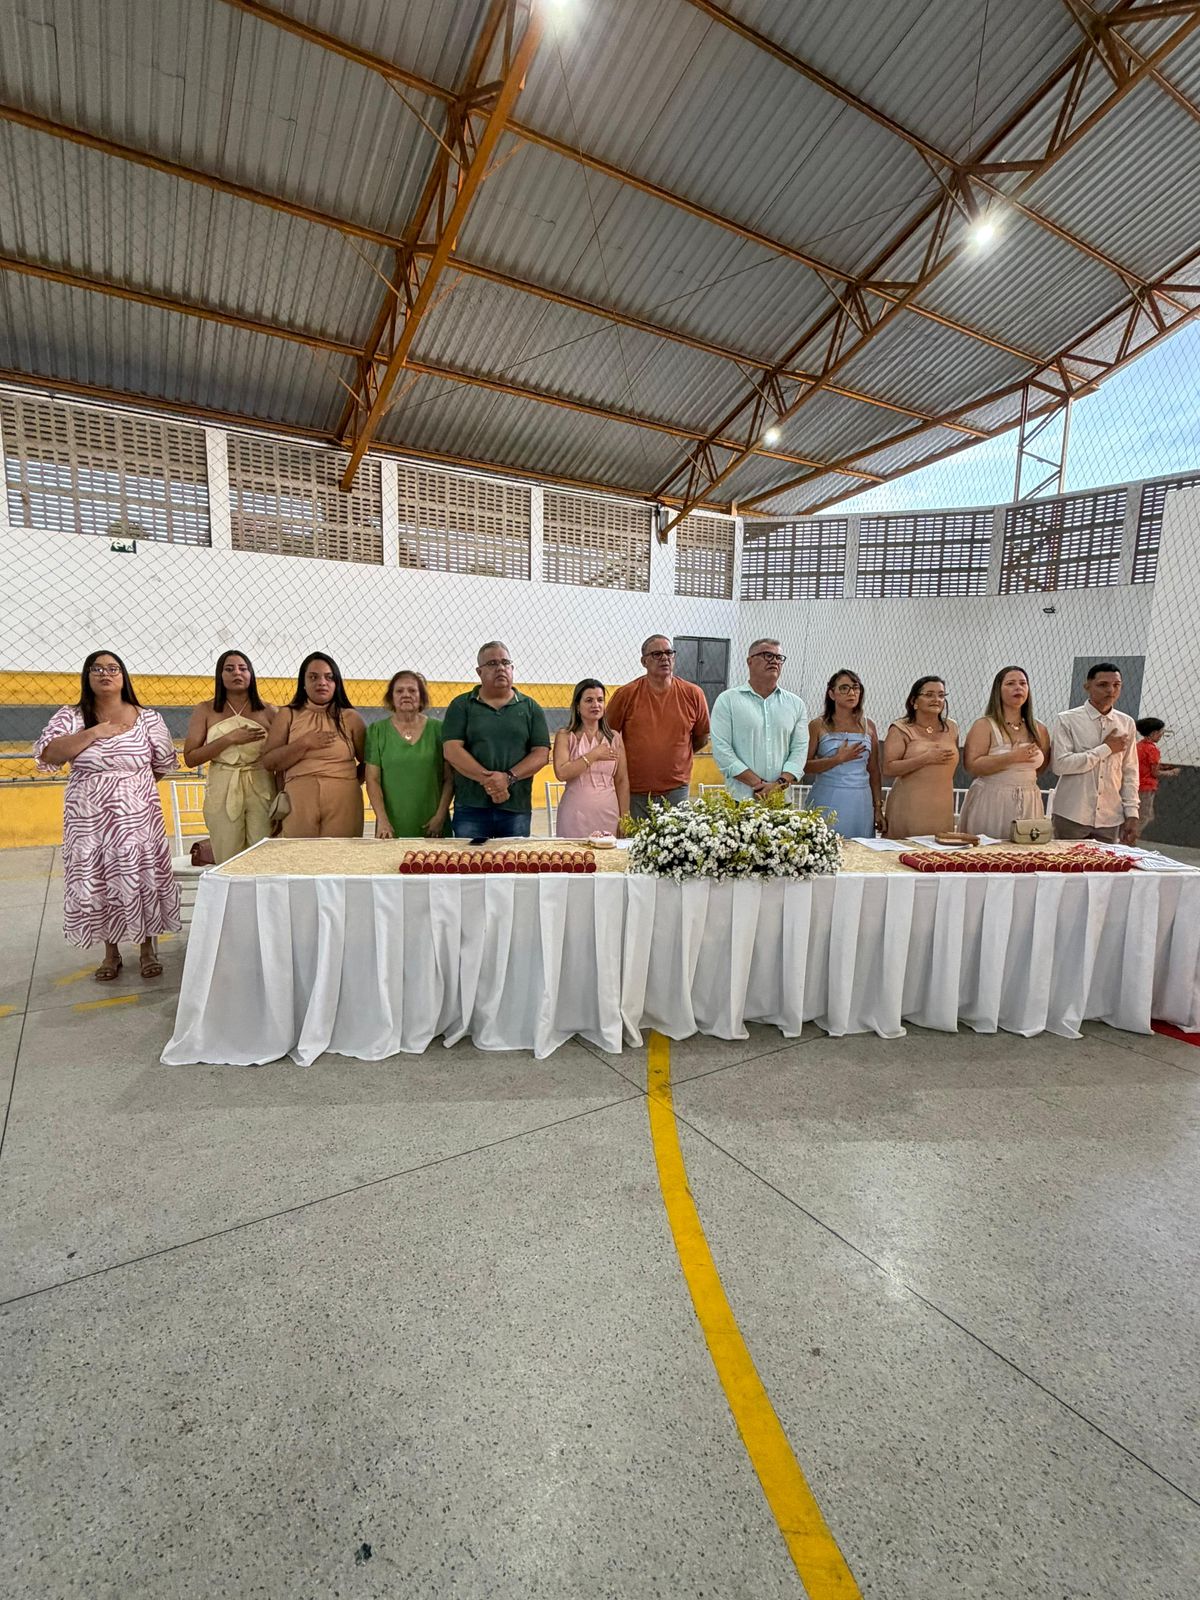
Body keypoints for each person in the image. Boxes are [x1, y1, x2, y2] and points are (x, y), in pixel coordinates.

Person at [34, 650, 180, 981]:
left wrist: (127, 790)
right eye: (96, 669)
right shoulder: (70, 716)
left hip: (138, 819)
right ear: (87, 677)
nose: (105, 674)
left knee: (139, 877)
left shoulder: (147, 718)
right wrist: (95, 733)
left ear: (123, 676)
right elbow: (50, 753)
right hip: (89, 820)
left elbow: (161, 765)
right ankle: (110, 953)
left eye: (113, 668)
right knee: (100, 881)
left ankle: (147, 949)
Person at [442, 641, 550, 839]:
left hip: (515, 808)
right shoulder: (461, 705)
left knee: (513, 867)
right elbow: (452, 750)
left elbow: (541, 754)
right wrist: (491, 782)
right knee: (469, 865)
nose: (500, 667)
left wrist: (508, 778)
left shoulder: (530, 707)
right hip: (470, 807)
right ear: (479, 672)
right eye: (492, 663)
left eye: (505, 662)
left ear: (512, 668)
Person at [183, 650, 277, 863]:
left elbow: (281, 757)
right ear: (220, 675)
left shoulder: (269, 710)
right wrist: (229, 739)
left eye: (243, 668)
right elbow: (191, 758)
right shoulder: (206, 710)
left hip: (261, 785)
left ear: (251, 674)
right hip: (223, 786)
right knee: (227, 854)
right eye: (229, 669)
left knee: (264, 854)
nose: (237, 673)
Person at [260, 653, 366, 837]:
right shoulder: (288, 715)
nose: (322, 682)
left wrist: (349, 782)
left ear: (336, 683)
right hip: (299, 799)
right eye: (313, 677)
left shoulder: (351, 718)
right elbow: (269, 762)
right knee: (302, 858)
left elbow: (370, 762)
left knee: (340, 858)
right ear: (303, 682)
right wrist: (304, 743)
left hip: (344, 799)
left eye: (329, 677)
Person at [606, 635, 710, 817]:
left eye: (669, 652)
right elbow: (608, 735)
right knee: (633, 843)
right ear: (643, 661)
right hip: (634, 791)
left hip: (677, 790)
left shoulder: (694, 694)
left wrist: (675, 758)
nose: (664, 658)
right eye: (657, 654)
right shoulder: (626, 694)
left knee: (676, 843)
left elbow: (701, 738)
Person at [710, 640, 809, 804]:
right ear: (749, 661)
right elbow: (722, 749)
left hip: (780, 799)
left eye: (779, 657)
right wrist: (758, 785)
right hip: (740, 800)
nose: (774, 661)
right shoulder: (728, 700)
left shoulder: (795, 704)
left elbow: (800, 749)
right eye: (768, 655)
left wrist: (778, 785)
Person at [1050, 663, 1140, 844]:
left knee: (1105, 871)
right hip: (1072, 813)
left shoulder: (1126, 723)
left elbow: (1130, 771)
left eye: (1117, 685)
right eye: (1103, 685)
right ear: (1087, 686)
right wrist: (1105, 748)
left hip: (1110, 817)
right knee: (1067, 868)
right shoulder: (1068, 719)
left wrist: (1132, 812)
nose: (1111, 690)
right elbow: (1060, 765)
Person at [958, 666, 1050, 839]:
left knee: (1024, 856)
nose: (1018, 688)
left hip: (1029, 798)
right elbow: (972, 766)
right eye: (1010, 683)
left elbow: (1042, 766)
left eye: (1023, 683)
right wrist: (1013, 757)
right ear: (998, 690)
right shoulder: (984, 725)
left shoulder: (1040, 729)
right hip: (992, 799)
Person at [364, 670, 452, 839]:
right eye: (399, 691)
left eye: (412, 690)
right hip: (391, 826)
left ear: (421, 696)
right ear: (391, 697)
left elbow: (449, 779)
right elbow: (372, 780)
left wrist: (440, 816)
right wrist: (382, 820)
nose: (406, 695)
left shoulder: (439, 730)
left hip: (434, 824)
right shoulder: (376, 731)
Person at [803, 668, 883, 837]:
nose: (851, 693)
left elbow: (874, 770)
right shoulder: (818, 725)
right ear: (832, 694)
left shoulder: (869, 726)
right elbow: (804, 766)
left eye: (855, 688)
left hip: (860, 800)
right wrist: (837, 759)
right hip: (827, 797)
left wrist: (878, 808)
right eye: (844, 688)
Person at [882, 676, 959, 838]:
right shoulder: (900, 728)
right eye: (929, 694)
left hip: (941, 807)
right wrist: (925, 758)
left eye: (941, 695)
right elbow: (888, 768)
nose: (936, 699)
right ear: (914, 701)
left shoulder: (952, 727)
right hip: (910, 806)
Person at [552, 679, 630, 837]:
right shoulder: (565, 736)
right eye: (589, 700)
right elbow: (561, 773)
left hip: (609, 813)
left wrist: (625, 819)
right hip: (575, 815)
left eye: (600, 700)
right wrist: (594, 755)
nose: (596, 705)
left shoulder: (614, 737)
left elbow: (622, 780)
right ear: (578, 706)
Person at [1135, 716, 1178, 836]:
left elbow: (1146, 765)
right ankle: (1129, 839)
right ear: (1154, 732)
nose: (1161, 734)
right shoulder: (1152, 750)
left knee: (1142, 814)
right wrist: (1171, 772)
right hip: (1146, 787)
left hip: (1137, 784)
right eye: (1160, 732)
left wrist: (1162, 766)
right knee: (1144, 816)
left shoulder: (1139, 746)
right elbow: (1154, 772)